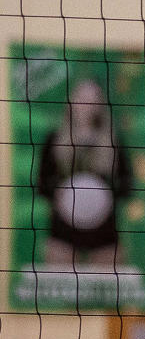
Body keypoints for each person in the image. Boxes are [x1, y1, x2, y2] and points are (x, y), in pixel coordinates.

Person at [38, 78, 132, 266]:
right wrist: (58, 191)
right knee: (61, 289)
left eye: (92, 100)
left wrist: (106, 193)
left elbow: (127, 185)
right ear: (71, 102)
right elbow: (42, 184)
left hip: (104, 233)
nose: (86, 105)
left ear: (99, 105)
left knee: (106, 293)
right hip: (62, 232)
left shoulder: (113, 140)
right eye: (81, 99)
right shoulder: (54, 138)